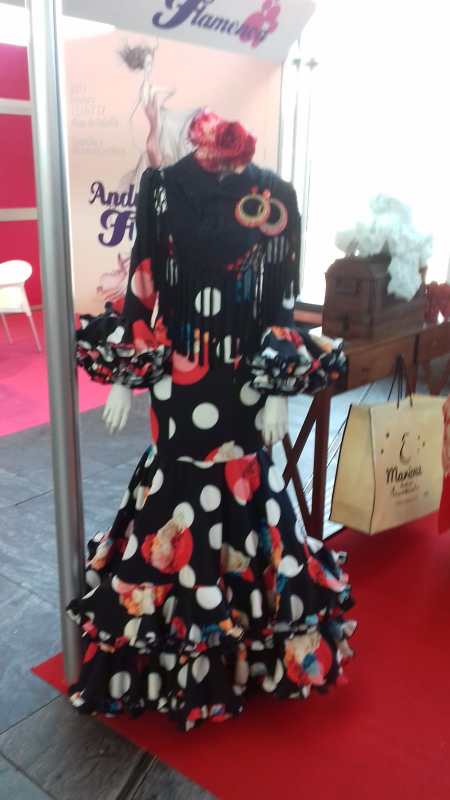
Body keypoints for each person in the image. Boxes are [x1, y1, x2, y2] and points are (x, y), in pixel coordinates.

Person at [70, 110, 355, 731]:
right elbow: (144, 277)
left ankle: (249, 649)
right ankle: (180, 646)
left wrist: (276, 385)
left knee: (250, 487)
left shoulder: (275, 194)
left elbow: (280, 295)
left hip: (247, 376)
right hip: (179, 376)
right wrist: (126, 373)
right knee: (177, 486)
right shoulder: (162, 187)